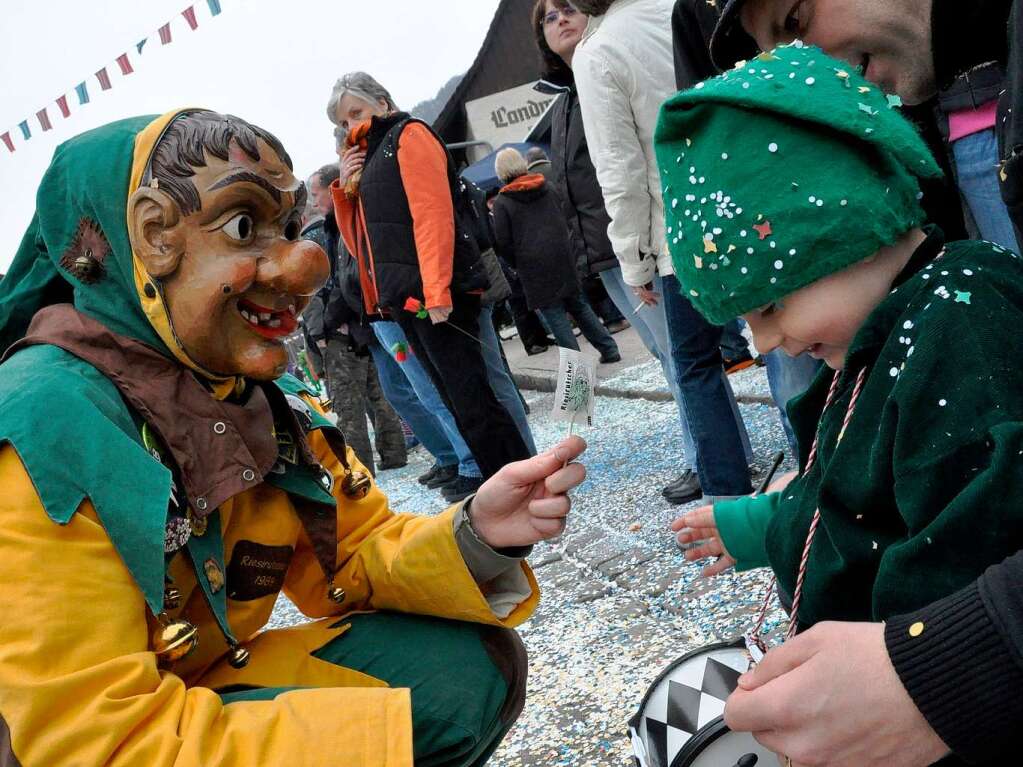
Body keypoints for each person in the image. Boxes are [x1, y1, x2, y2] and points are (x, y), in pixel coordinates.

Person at [0, 108, 589, 766]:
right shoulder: (44, 428)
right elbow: (93, 740)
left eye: (286, 225)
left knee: (465, 669)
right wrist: (372, 745)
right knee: (401, 726)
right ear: (150, 237)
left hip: (202, 679)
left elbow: (349, 549)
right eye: (245, 225)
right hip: (84, 743)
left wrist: (477, 529)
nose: (303, 264)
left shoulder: (253, 392)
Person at [662, 47, 1023, 765]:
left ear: (843, 221)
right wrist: (764, 524)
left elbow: (969, 559)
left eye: (768, 305)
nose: (767, 340)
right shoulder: (879, 335)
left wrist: (896, 689)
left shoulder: (959, 330)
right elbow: (853, 493)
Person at [572, 0, 754, 500]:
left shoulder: (597, 51)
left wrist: (634, 260)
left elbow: (620, 167)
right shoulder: (674, 9)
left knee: (694, 364)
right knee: (787, 343)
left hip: (679, 225)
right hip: (744, 193)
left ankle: (727, 493)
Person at [328, 72, 531, 480]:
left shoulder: (409, 135)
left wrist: (438, 290)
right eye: (343, 122)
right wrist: (346, 190)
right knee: (454, 398)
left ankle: (518, 477)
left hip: (436, 292)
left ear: (382, 102)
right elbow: (360, 246)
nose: (351, 127)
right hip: (404, 298)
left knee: (474, 396)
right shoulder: (372, 157)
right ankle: (504, 482)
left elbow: (433, 214)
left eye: (356, 113)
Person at [309, 164, 407, 475]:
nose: (315, 201)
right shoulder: (344, 221)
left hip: (342, 329)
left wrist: (320, 329)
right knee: (382, 396)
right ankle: (394, 454)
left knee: (348, 407)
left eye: (316, 194)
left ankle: (362, 470)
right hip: (365, 324)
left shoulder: (316, 237)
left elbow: (323, 289)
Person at [492, 147, 622, 364]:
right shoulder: (548, 187)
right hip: (563, 258)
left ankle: (578, 369)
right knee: (580, 306)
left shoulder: (502, 203)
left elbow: (503, 242)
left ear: (501, 171)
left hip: (533, 267)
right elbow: (564, 217)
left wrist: (518, 262)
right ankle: (609, 350)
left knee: (556, 317)